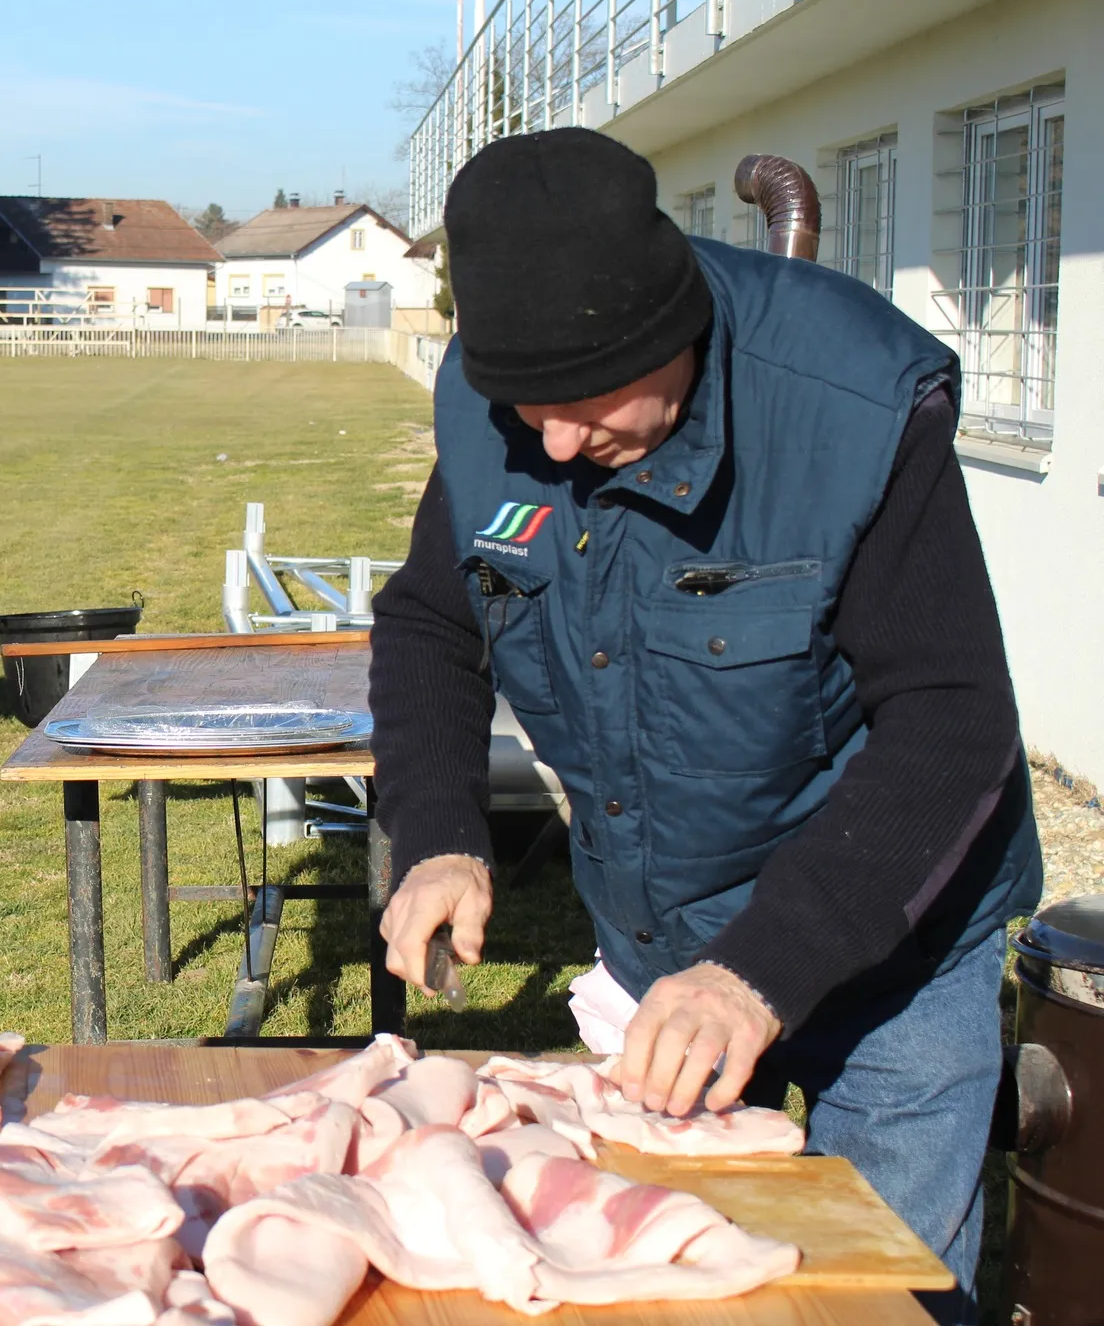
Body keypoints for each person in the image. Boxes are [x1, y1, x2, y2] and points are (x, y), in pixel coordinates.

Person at [369, 128, 1040, 1319]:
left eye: (583, 406)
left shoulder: (853, 405)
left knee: (864, 1299)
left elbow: (950, 722)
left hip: (890, 944)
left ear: (666, 326)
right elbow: (432, 620)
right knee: (659, 1284)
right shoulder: (503, 396)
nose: (556, 446)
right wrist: (436, 827)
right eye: (529, 413)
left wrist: (758, 974)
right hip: (661, 938)